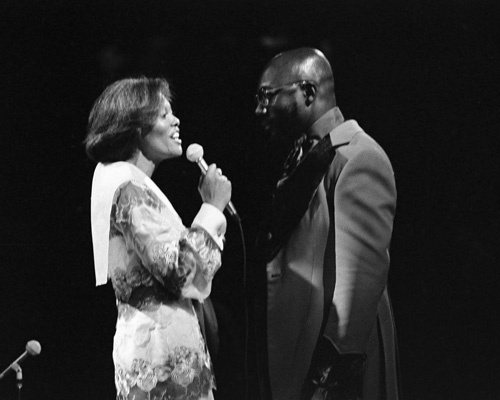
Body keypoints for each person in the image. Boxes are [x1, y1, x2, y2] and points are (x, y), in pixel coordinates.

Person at [252, 48, 400, 400]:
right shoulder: (312, 152)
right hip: (309, 340)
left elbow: (359, 283)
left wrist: (325, 381)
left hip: (342, 360)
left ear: (307, 92)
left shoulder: (359, 156)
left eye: (267, 97)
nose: (260, 110)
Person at [84, 77, 232, 400]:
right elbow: (179, 273)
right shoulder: (128, 189)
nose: (176, 120)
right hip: (160, 359)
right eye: (164, 114)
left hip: (162, 352)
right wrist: (211, 208)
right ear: (136, 127)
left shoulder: (127, 182)